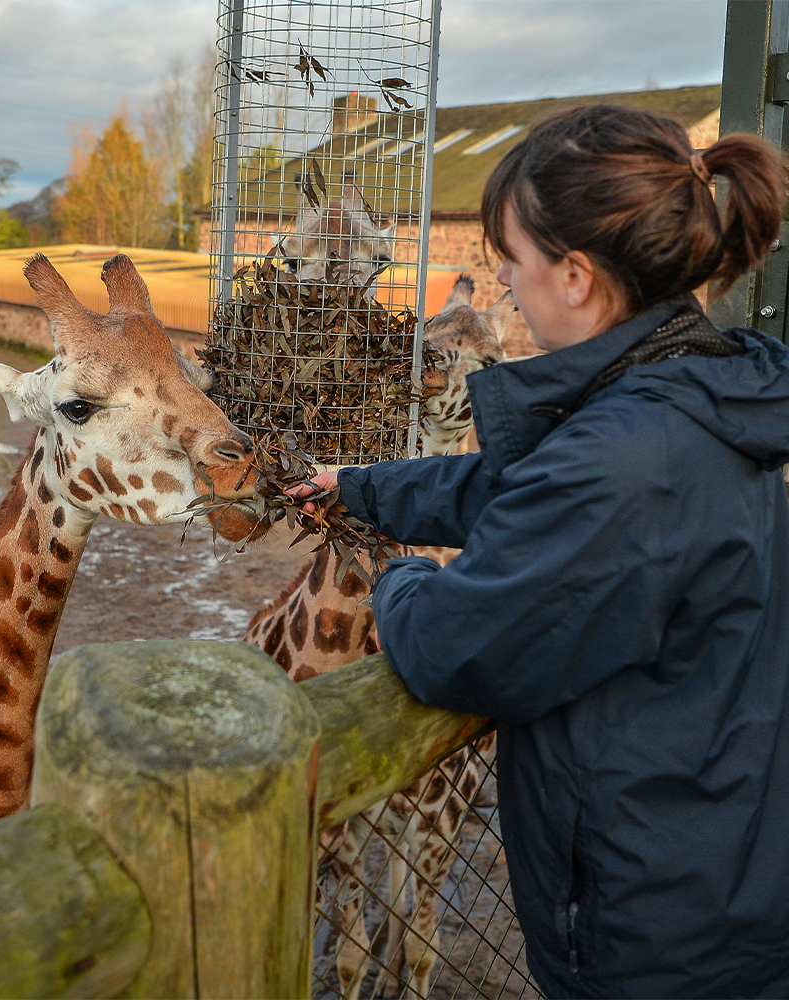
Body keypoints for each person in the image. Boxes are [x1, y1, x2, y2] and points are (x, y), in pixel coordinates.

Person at [294, 105, 789, 998]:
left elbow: (456, 646)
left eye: (510, 261)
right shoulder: (689, 394)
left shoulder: (623, 457)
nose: (503, 284)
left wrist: (397, 569)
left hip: (657, 917)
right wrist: (361, 489)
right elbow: (529, 496)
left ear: (573, 276)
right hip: (725, 852)